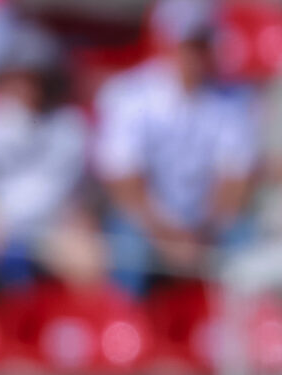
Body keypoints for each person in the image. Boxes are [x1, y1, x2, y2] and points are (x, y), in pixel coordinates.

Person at [94, 0, 262, 300]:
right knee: (127, 246)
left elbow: (234, 181)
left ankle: (231, 324)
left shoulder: (232, 101)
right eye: (189, 44)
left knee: (248, 245)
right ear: (166, 43)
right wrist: (166, 234)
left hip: (204, 224)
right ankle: (127, 320)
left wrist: (204, 231)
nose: (196, 54)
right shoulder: (129, 94)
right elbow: (123, 181)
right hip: (146, 220)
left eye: (202, 44)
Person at [0, 20, 104, 291]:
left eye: (36, 78)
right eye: (20, 77)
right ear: (3, 79)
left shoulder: (71, 126)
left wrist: (80, 218)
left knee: (90, 257)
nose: (29, 88)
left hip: (55, 228)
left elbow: (87, 194)